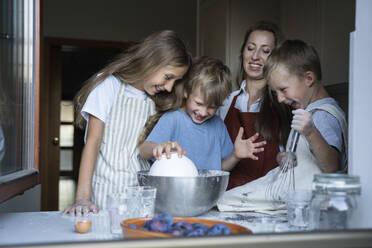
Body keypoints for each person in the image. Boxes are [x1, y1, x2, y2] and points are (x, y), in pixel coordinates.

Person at [63, 30, 191, 216]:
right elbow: (93, 142)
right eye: (168, 77)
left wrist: (161, 147)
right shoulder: (109, 86)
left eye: (175, 81)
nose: (170, 87)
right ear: (152, 61)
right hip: (107, 194)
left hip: (144, 197)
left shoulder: (156, 101)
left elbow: (143, 149)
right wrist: (82, 198)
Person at [138, 56, 266, 171]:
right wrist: (160, 146)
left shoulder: (218, 126)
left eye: (212, 106)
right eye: (199, 103)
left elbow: (220, 168)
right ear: (186, 92)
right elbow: (143, 151)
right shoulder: (172, 119)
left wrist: (235, 156)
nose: (203, 112)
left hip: (207, 194)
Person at [217, 21, 292, 190]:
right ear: (243, 52)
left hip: (267, 198)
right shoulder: (225, 102)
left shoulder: (284, 104)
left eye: (265, 51)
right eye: (250, 48)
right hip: (228, 198)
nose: (255, 56)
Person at [264, 39, 347, 186]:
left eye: (283, 89)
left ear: (309, 78)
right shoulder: (306, 111)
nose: (280, 99)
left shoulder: (323, 115)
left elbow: (332, 167)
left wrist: (310, 132)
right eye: (275, 92)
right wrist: (284, 158)